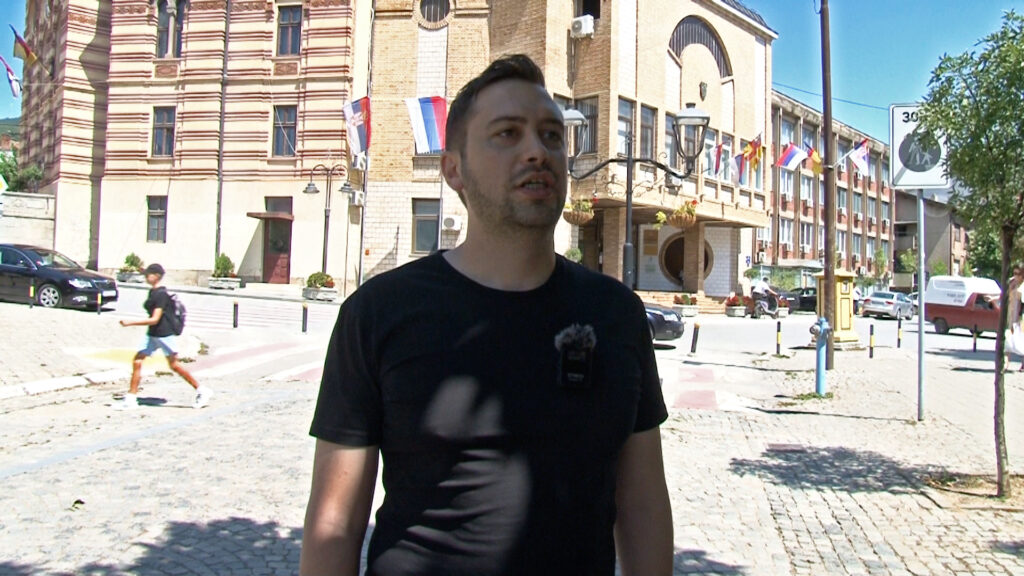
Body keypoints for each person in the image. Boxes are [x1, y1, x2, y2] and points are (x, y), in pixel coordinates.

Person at [300, 54, 672, 575]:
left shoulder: (617, 315)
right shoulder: (379, 312)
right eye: (507, 133)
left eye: (551, 135)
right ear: (454, 169)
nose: (537, 151)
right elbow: (335, 523)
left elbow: (643, 505)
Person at [114, 263, 212, 410]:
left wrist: (130, 322)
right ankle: (131, 399)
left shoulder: (161, 295)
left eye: (148, 274)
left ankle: (202, 391)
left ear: (156, 276)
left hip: (163, 334)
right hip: (153, 334)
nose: (146, 277)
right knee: (138, 361)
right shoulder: (153, 292)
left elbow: (155, 319)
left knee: (174, 365)